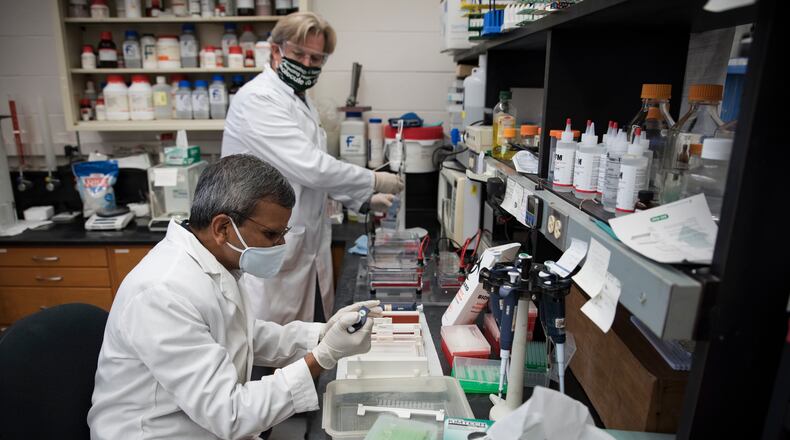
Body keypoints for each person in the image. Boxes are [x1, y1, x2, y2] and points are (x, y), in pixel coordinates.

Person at [88, 155, 381, 439]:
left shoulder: (214, 261)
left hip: (203, 424)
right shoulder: (163, 292)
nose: (281, 244)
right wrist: (324, 356)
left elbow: (241, 333)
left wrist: (322, 333)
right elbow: (229, 414)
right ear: (222, 228)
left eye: (283, 233)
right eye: (271, 234)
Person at [221, 11, 403, 324]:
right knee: (265, 345)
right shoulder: (258, 99)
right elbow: (312, 168)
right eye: (298, 53)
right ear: (276, 50)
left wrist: (358, 199)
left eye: (316, 58)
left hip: (300, 240)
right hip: (264, 241)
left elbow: (308, 173)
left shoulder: (300, 99)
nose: (307, 64)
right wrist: (372, 180)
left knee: (301, 339)